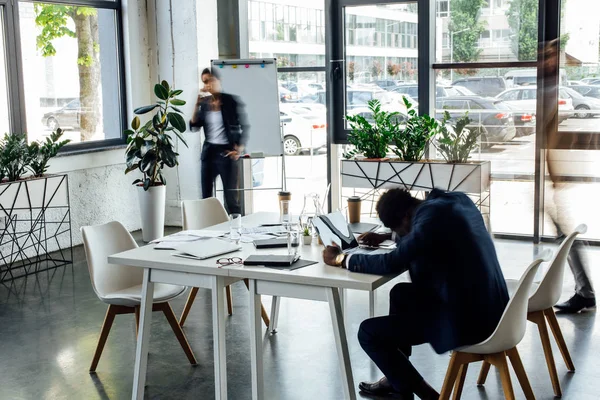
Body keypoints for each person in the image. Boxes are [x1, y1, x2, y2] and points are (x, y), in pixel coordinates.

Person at [322, 188, 509, 400]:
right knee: (401, 294)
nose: (400, 234)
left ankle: (429, 396)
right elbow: (426, 234)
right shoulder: (453, 201)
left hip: (469, 321)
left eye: (398, 229)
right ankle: (396, 380)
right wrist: (389, 235)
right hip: (496, 310)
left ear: (406, 216)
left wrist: (341, 259)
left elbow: (392, 262)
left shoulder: (431, 219)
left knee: (368, 333)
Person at [540, 40, 595, 313]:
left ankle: (585, 292)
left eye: (548, 56)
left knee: (567, 237)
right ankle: (584, 290)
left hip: (563, 179)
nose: (544, 61)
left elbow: (556, 136)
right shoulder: (549, 89)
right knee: (567, 237)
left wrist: (559, 176)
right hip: (558, 178)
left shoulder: (555, 91)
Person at [190, 68, 248, 214]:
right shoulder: (204, 103)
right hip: (209, 153)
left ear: (218, 80)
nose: (207, 85)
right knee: (206, 197)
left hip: (226, 152)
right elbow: (194, 126)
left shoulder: (230, 101)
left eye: (210, 81)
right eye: (204, 82)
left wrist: (239, 149)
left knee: (231, 198)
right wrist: (197, 104)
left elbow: (244, 126)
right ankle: (210, 229)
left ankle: (235, 228)